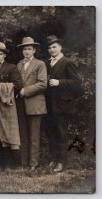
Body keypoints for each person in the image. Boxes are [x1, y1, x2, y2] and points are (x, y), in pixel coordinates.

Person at [45, 35, 81, 172]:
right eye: (49, 48)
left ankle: (61, 162)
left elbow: (77, 83)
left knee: (61, 133)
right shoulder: (48, 63)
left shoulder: (67, 62)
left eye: (54, 47)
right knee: (51, 132)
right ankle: (53, 159)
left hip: (63, 105)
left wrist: (59, 82)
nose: (52, 50)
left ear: (60, 47)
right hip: (50, 104)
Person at [0, 42, 23, 168]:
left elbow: (18, 84)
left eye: (0, 54)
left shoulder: (12, 67)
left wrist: (2, 87)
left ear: (4, 56)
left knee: (7, 131)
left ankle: (11, 163)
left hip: (6, 105)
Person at [17, 37, 47, 170]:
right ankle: (24, 162)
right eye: (24, 49)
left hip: (35, 104)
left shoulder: (40, 64)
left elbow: (42, 84)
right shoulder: (19, 64)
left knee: (34, 135)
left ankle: (33, 163)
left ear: (34, 50)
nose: (27, 51)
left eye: (29, 49)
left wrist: (25, 91)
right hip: (21, 104)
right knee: (23, 134)